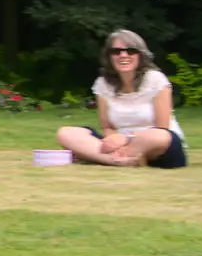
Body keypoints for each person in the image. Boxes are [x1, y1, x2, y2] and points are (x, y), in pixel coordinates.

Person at [55, 29, 187, 169]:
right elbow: (107, 127)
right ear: (109, 56)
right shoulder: (103, 84)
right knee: (66, 133)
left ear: (140, 55)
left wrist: (127, 138)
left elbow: (162, 128)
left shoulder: (156, 79)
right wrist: (112, 139)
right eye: (116, 51)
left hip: (155, 144)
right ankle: (120, 160)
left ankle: (106, 157)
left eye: (130, 51)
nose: (123, 55)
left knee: (159, 136)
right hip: (118, 144)